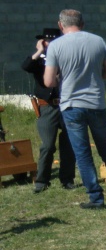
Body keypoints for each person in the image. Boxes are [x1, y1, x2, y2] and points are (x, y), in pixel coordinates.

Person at [44, 9, 106, 209]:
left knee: (82, 153)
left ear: (61, 25)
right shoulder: (98, 41)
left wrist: (62, 77)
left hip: (72, 105)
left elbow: (49, 81)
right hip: (96, 103)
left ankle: (96, 197)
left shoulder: (56, 46)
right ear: (82, 23)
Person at [21, 27, 76, 193]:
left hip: (66, 104)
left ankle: (67, 179)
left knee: (68, 142)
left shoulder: (66, 56)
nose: (50, 44)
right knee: (47, 145)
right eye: (47, 41)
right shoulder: (40, 59)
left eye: (53, 41)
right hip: (47, 105)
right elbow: (26, 66)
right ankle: (42, 180)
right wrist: (39, 51)